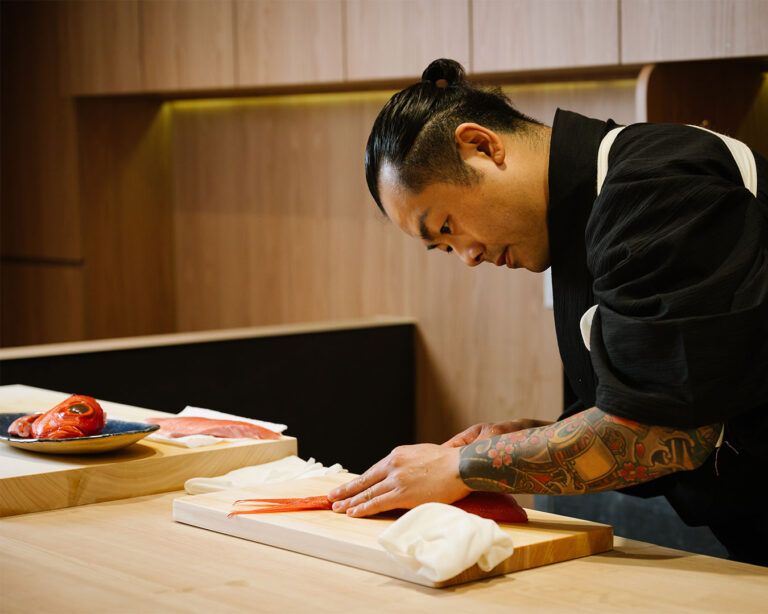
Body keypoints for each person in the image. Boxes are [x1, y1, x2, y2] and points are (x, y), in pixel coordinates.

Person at [327, 59, 768, 566]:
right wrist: (529, 436)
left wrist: (461, 466)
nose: (468, 256)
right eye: (445, 248)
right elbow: (660, 397)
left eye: (447, 226)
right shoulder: (590, 216)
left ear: (482, 146)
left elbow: (662, 432)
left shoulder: (651, 186)